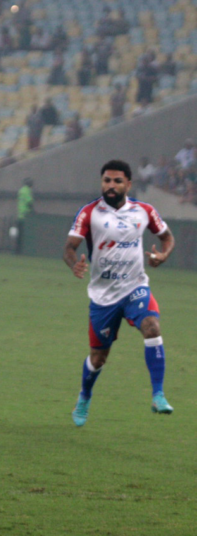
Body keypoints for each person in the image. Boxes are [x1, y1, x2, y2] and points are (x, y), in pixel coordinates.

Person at [63, 160, 174, 426]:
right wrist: (74, 264)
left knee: (152, 327)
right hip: (103, 297)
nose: (110, 186)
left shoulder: (144, 211)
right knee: (98, 358)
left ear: (128, 184)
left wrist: (163, 255)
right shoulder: (89, 213)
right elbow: (69, 248)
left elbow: (167, 237)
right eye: (106, 181)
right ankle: (85, 396)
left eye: (117, 181)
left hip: (135, 287)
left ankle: (158, 395)